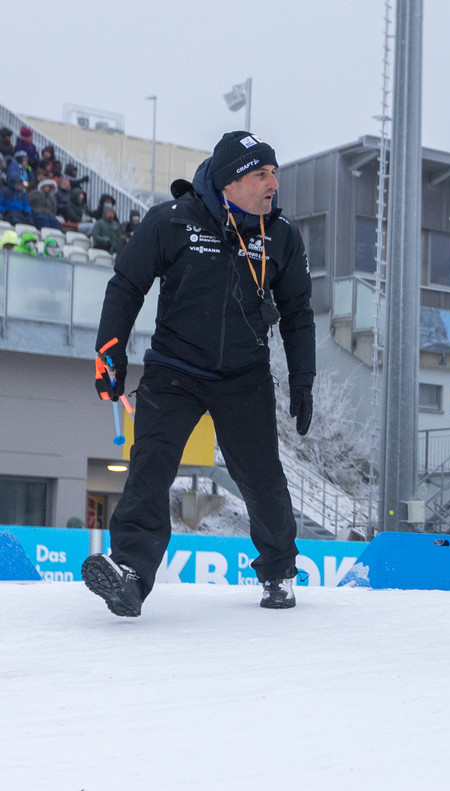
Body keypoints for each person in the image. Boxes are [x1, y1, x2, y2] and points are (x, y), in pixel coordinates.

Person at [82, 130, 315, 618]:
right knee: (150, 468)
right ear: (230, 183)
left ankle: (278, 572)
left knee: (263, 479)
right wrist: (110, 353)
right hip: (175, 369)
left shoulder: (282, 236)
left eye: (274, 172)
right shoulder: (171, 220)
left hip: (244, 375)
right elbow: (126, 285)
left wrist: (303, 379)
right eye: (261, 174)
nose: (273, 183)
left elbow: (297, 312)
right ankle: (130, 575)